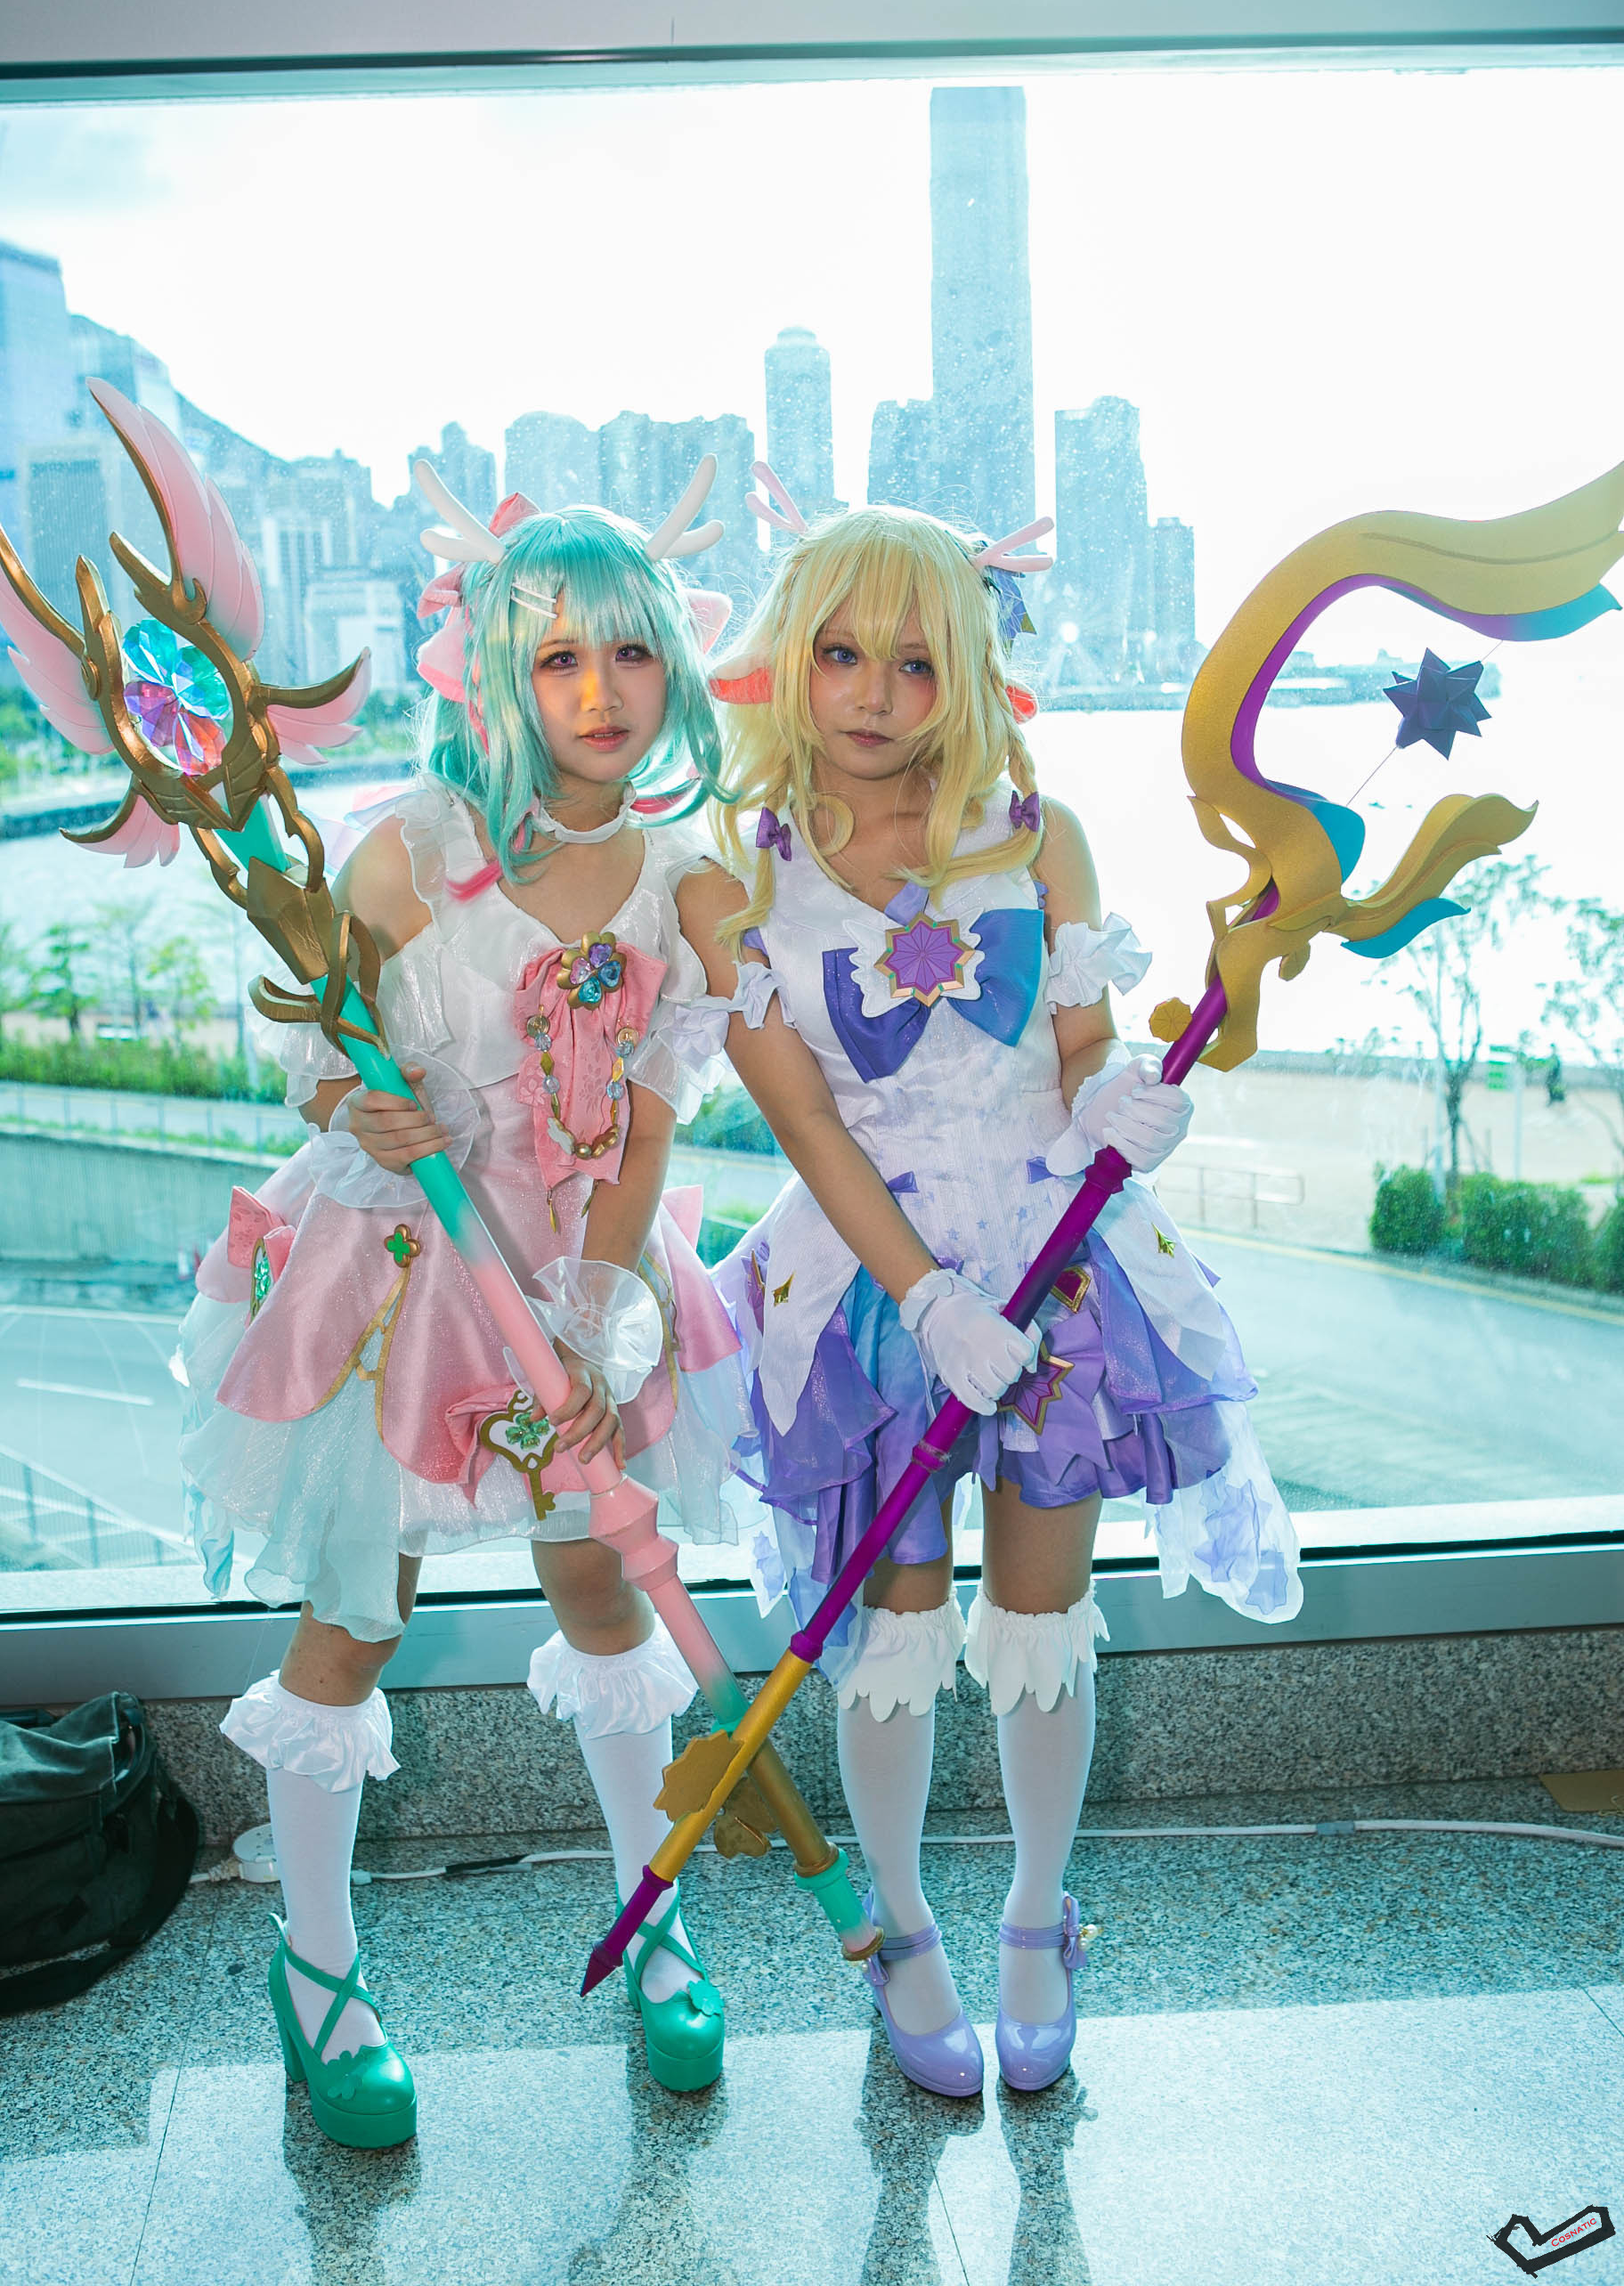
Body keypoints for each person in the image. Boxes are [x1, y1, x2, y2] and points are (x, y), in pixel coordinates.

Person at [663, 500, 1302, 2100]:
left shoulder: (1039, 833)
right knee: (892, 1628)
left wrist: (1115, 1106)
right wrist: (928, 1298)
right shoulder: (735, 879)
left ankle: (1034, 1916)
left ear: (968, 672)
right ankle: (900, 1926)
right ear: (788, 662)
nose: (874, 693)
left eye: (916, 660)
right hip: (869, 1288)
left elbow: (1082, 1049)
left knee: (1037, 1617)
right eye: (840, 653)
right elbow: (808, 1126)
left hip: (1060, 1267)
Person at [178, 475, 751, 2144]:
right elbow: (314, 1055)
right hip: (406, 1273)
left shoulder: (685, 879)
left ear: (675, 669)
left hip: (577, 1271)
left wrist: (600, 1314)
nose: (599, 691)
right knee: (360, 1611)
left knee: (600, 1576)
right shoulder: (413, 849)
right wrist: (361, 1106)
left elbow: (651, 1125)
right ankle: (317, 1970)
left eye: (629, 653)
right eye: (559, 657)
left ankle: (651, 1922)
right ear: (497, 673)